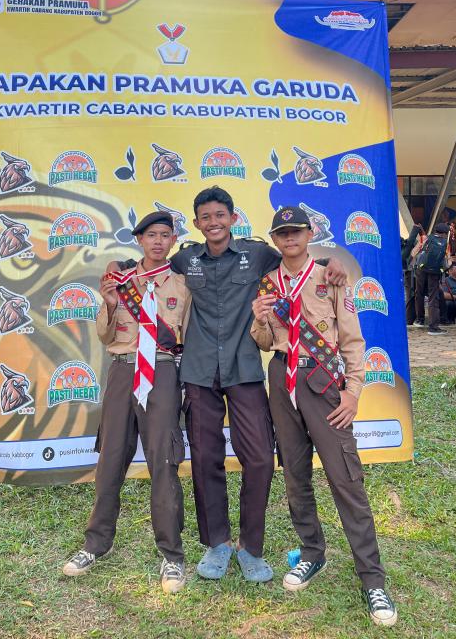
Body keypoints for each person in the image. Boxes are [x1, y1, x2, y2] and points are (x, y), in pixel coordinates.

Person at [110, 186, 346, 583]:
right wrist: (115, 264)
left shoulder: (257, 254)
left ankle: (251, 547)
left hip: (244, 369)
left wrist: (329, 261)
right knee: (205, 459)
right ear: (197, 223)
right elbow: (148, 264)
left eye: (220, 215)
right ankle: (217, 543)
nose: (214, 222)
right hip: (199, 373)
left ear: (233, 218)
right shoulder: (186, 259)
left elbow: (295, 258)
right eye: (205, 217)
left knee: (260, 458)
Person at [250, 205, 397, 627]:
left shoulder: (330, 277)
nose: (289, 238)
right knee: (295, 474)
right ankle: (312, 553)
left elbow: (352, 340)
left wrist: (353, 392)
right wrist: (259, 320)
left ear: (309, 233)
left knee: (345, 478)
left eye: (296, 231)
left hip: (323, 383)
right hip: (283, 380)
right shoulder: (268, 283)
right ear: (274, 240)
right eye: (282, 233)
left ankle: (372, 578)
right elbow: (264, 342)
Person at [63, 211, 190, 594]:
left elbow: (187, 337)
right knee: (111, 459)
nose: (158, 241)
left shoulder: (182, 285)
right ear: (139, 240)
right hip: (123, 369)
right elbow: (105, 336)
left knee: (163, 462)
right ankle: (95, 544)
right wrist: (107, 302)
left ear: (173, 241)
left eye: (165, 235)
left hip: (162, 373)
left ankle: (172, 554)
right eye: (151, 235)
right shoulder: (119, 281)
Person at [413, 222, 450, 335]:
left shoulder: (426, 239)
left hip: (421, 269)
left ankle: (420, 320)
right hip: (434, 272)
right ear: (445, 233)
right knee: (433, 297)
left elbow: (414, 253)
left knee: (419, 293)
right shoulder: (445, 243)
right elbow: (446, 261)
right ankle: (433, 327)